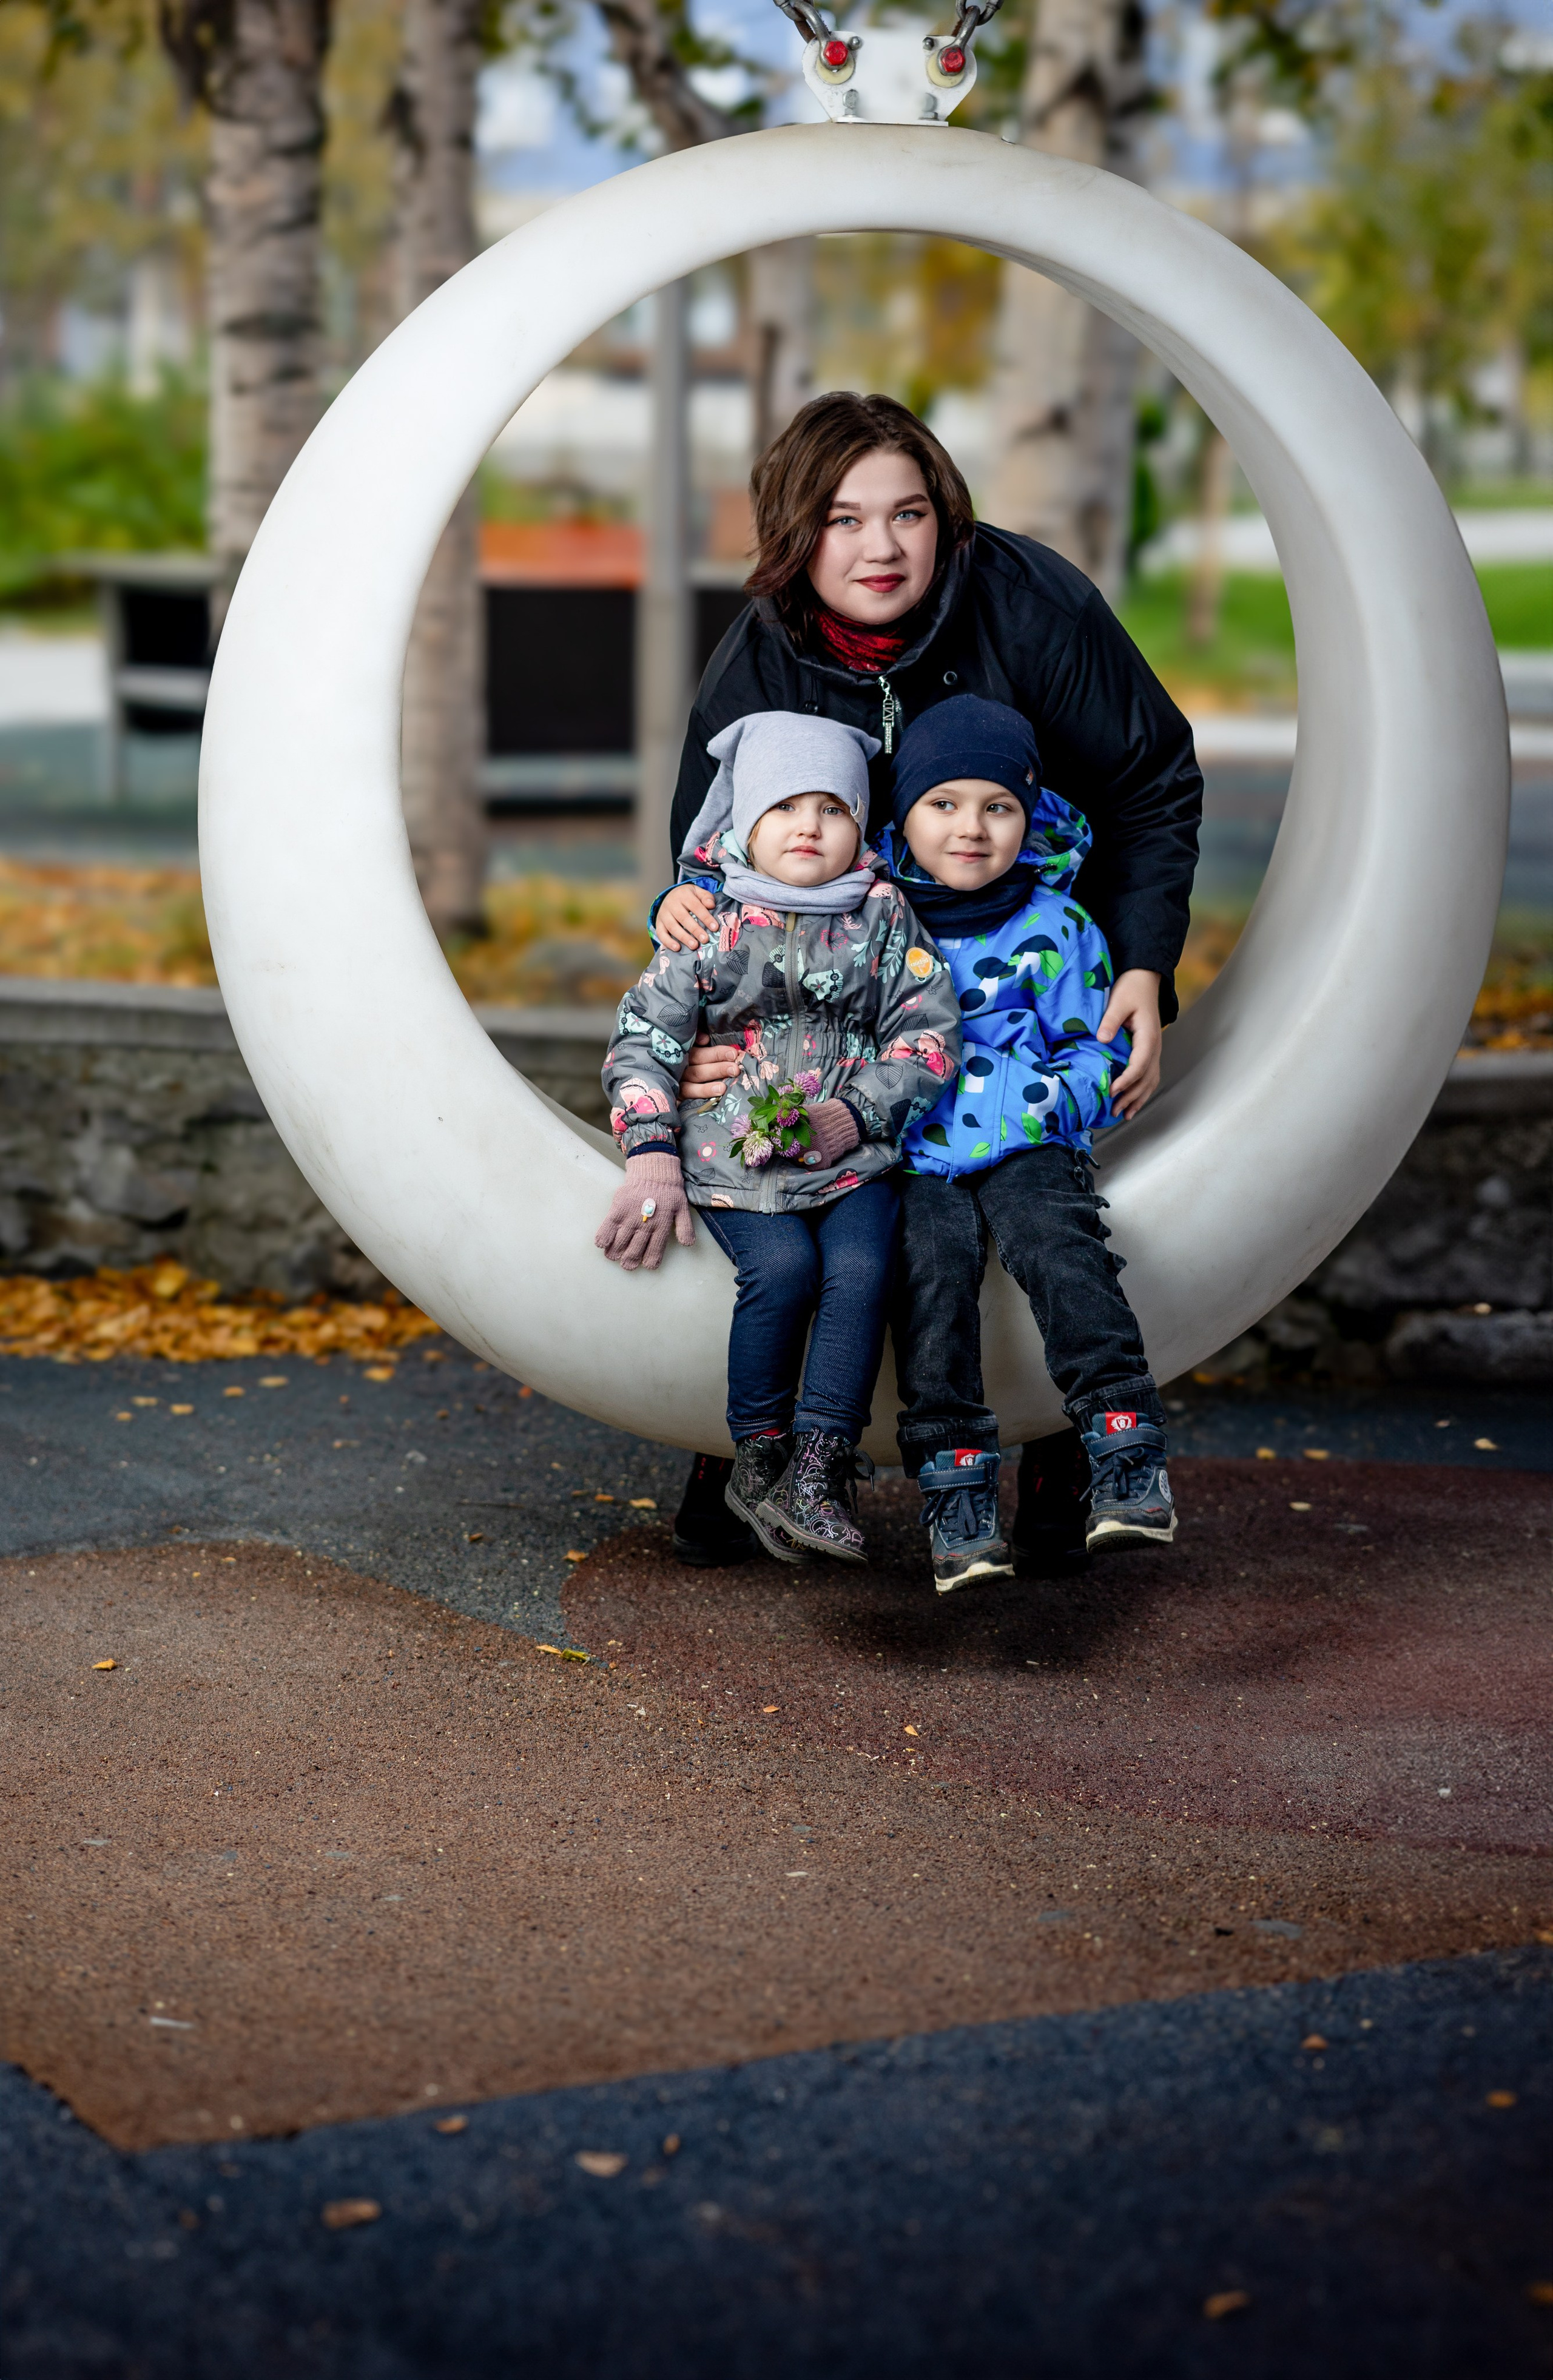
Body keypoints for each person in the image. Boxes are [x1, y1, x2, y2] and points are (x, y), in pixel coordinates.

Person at [655, 388, 1202, 1567]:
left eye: (907, 514)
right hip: (852, 991)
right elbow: (707, 859)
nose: (880, 548)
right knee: (821, 1190)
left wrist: (1144, 967)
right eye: (842, 519)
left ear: (945, 519)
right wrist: (711, 1016)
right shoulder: (760, 657)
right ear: (794, 531)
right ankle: (745, 1438)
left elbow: (1150, 779)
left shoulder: (1030, 604)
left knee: (1032, 1198)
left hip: (1023, 968)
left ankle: (1055, 1431)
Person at [596, 710, 959, 1565]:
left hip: (848, 1156)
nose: (809, 826)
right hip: (735, 1161)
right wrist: (651, 1151)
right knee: (784, 1269)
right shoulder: (708, 922)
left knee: (865, 1268)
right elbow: (644, 1038)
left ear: (860, 825)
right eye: (785, 808)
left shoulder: (882, 917)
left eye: (832, 809)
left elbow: (930, 1032)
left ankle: (823, 1465)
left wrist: (859, 1113)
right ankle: (757, 1452)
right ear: (744, 824)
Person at [878, 695, 1174, 1591]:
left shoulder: (1059, 928)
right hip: (914, 1153)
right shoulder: (873, 925)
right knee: (930, 1282)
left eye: (997, 806)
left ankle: (1125, 1451)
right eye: (944, 805)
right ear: (903, 815)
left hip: (1026, 1139)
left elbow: (1097, 1050)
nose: (971, 828)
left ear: (1029, 815)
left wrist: (1045, 1099)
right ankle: (956, 1496)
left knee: (1061, 1246)